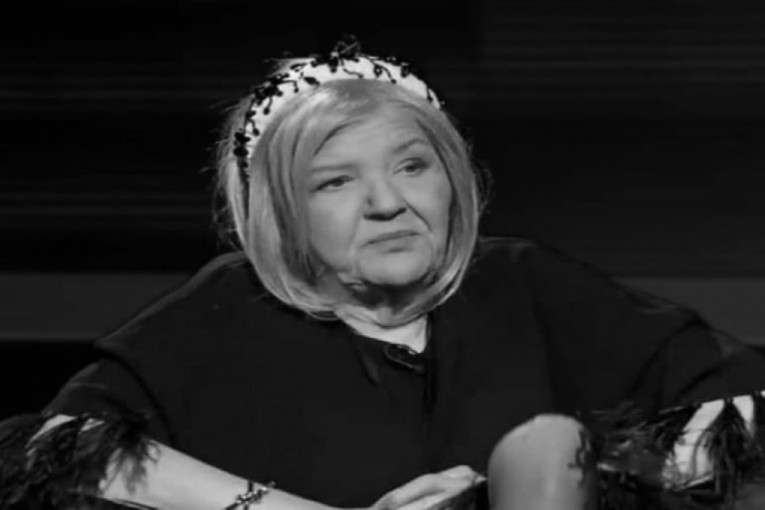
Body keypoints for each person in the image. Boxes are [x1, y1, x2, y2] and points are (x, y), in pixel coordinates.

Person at [3, 37, 765, 510]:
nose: (386, 203)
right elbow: (58, 455)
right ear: (282, 213)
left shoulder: (522, 282)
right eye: (335, 181)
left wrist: (570, 480)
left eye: (411, 166)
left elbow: (741, 414)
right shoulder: (229, 305)